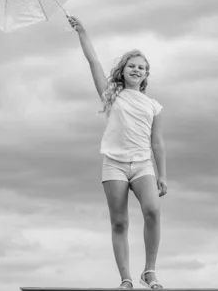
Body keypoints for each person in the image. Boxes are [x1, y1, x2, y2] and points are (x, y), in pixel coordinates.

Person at [68, 15, 167, 289]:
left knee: (153, 211)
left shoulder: (154, 107)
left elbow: (157, 143)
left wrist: (163, 175)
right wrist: (82, 32)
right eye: (132, 66)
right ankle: (125, 278)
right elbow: (94, 62)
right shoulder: (112, 95)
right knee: (120, 222)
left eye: (142, 68)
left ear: (146, 75)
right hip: (114, 165)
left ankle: (149, 271)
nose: (136, 70)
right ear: (123, 71)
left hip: (143, 165)